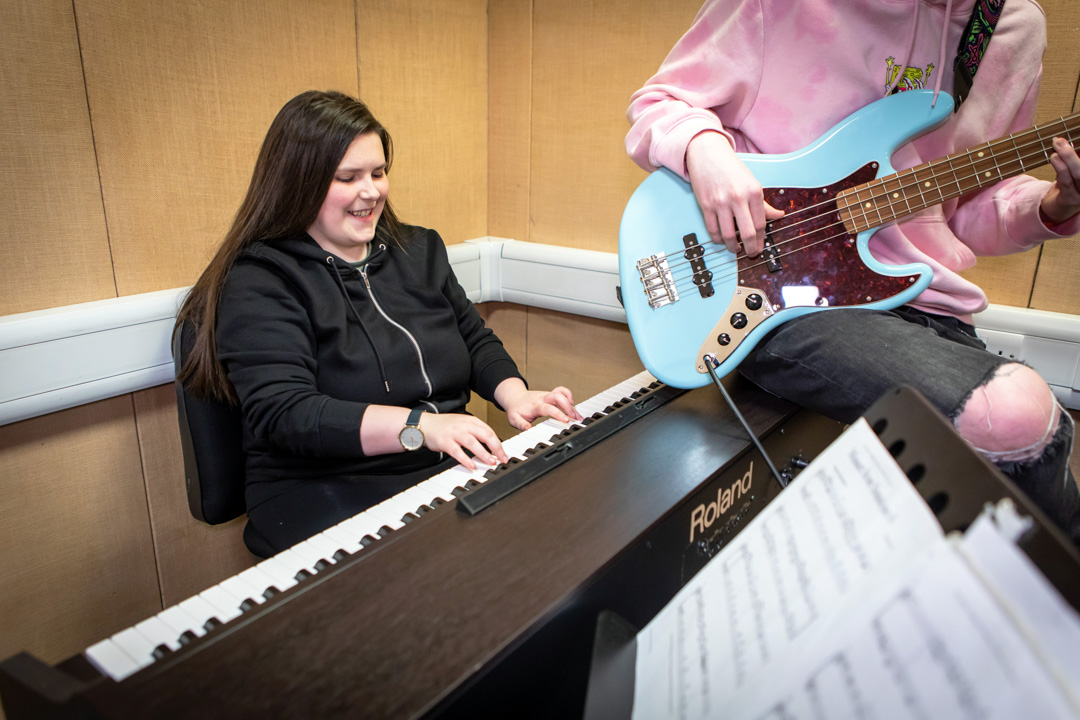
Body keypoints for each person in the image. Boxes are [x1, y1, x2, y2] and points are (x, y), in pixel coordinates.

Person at [626, 0, 1080, 540]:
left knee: (1000, 458)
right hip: (781, 293)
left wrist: (1052, 207)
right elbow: (662, 102)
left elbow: (967, 204)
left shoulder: (1009, 28)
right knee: (1015, 414)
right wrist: (705, 151)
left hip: (925, 300)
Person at [176, 90, 582, 556]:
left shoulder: (419, 249)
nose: (371, 192)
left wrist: (516, 394)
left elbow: (473, 339)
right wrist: (421, 427)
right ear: (298, 184)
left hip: (441, 466)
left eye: (378, 172)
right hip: (325, 488)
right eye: (347, 178)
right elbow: (287, 413)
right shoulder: (260, 279)